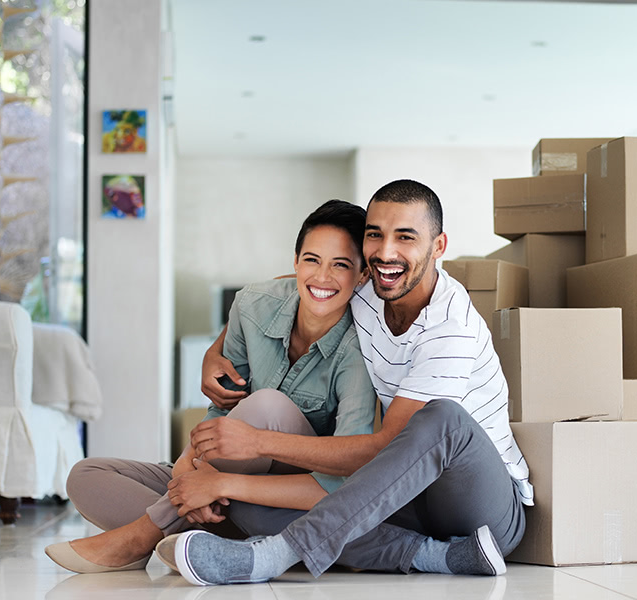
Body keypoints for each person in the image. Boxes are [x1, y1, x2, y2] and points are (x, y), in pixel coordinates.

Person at [172, 179, 534, 586]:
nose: (386, 252)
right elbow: (304, 280)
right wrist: (215, 349)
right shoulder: (370, 287)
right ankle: (438, 556)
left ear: (439, 246)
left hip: (480, 508)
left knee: (440, 419)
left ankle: (277, 555)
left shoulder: (451, 329)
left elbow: (386, 446)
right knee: (253, 505)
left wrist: (255, 445)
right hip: (411, 499)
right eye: (374, 236)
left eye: (405, 237)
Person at [44, 199, 377, 574]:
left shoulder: (363, 345)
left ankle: (146, 533)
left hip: (290, 494)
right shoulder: (252, 305)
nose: (322, 277)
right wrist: (189, 472)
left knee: (268, 406)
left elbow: (343, 477)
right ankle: (207, 536)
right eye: (313, 260)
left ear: (362, 276)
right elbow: (222, 408)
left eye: (341, 265)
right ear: (296, 262)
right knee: (86, 476)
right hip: (232, 482)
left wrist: (221, 484)